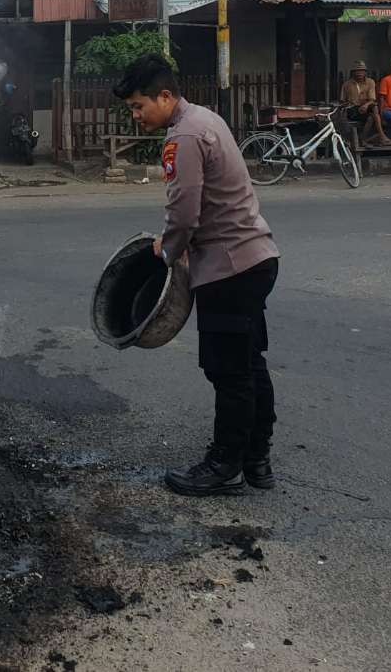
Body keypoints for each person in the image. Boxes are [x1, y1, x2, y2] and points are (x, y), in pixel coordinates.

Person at [113, 55, 281, 496]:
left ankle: (224, 464)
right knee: (249, 363)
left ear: (165, 96)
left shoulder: (183, 137)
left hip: (229, 268)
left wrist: (166, 254)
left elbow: (184, 213)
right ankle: (256, 460)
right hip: (256, 259)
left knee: (228, 371)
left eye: (138, 106)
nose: (136, 115)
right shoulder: (205, 118)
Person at [341, 61, 391, 146]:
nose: (359, 73)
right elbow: (342, 101)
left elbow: (372, 99)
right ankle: (382, 136)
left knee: (373, 112)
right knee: (373, 111)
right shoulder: (347, 84)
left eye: (361, 71)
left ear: (365, 72)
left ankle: (364, 139)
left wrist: (365, 105)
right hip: (352, 109)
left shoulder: (370, 82)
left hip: (367, 108)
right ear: (353, 73)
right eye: (357, 71)